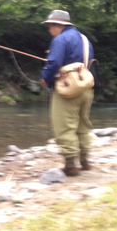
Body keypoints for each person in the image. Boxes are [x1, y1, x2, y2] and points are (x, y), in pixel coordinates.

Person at [40, 10, 94, 176]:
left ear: (58, 25)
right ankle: (84, 160)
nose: (49, 30)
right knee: (82, 124)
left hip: (68, 90)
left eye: (50, 26)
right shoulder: (85, 39)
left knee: (64, 126)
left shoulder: (60, 39)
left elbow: (54, 62)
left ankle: (71, 164)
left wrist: (45, 79)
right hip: (86, 88)